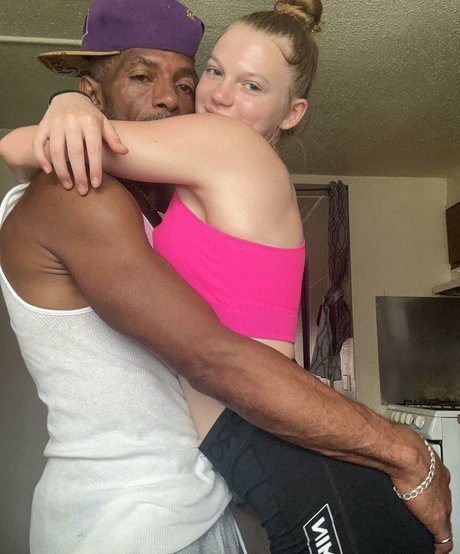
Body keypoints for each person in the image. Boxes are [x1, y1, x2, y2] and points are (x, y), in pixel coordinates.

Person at [0, 0, 453, 553]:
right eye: (212, 73)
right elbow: (211, 356)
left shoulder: (203, 169)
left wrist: (66, 108)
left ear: (292, 112)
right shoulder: (94, 197)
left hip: (238, 481)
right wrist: (68, 104)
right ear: (95, 93)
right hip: (143, 517)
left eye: (186, 81)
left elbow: (22, 149)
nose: (179, 98)